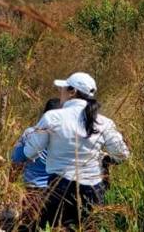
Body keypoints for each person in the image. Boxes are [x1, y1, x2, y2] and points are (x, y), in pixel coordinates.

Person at [24, 72, 129, 229]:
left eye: (63, 89)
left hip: (59, 187)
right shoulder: (104, 122)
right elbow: (121, 155)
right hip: (93, 189)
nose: (61, 92)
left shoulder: (52, 117)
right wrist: (104, 159)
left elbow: (30, 152)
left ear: (72, 92)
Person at [10, 98, 62, 228]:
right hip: (58, 192)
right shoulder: (67, 136)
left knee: (28, 226)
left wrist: (11, 185)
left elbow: (17, 160)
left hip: (33, 191)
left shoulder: (30, 133)